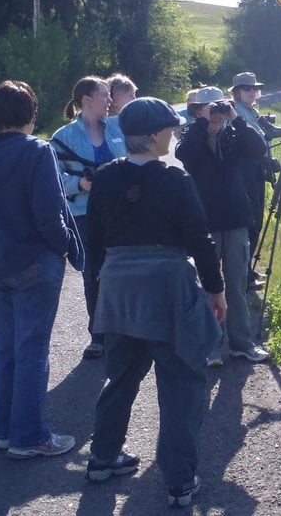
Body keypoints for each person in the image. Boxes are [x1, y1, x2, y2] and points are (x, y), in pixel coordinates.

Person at [84, 97, 227, 508]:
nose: (174, 134)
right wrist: (216, 290)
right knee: (181, 384)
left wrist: (98, 301)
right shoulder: (175, 180)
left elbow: (93, 243)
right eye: (169, 130)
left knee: (120, 376)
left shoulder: (106, 177)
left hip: (118, 287)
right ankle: (180, 481)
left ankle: (102, 457)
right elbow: (199, 239)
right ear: (152, 136)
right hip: (165, 286)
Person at [0, 80, 83, 459]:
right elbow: (49, 214)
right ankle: (30, 437)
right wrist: (66, 247)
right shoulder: (37, 152)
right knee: (32, 350)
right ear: (30, 114)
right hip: (33, 264)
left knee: (6, 351)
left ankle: (6, 434)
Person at [176, 86, 271, 367]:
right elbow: (185, 156)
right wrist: (203, 124)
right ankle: (210, 346)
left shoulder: (234, 134)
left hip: (235, 218)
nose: (216, 113)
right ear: (196, 111)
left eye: (219, 107)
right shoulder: (190, 136)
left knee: (237, 285)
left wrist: (236, 118)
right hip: (204, 219)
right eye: (209, 108)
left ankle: (242, 344)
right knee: (208, 285)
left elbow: (259, 148)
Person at [51, 76, 126, 360]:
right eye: (104, 95)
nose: (110, 100)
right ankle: (98, 336)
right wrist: (79, 184)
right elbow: (54, 178)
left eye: (110, 95)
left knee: (122, 270)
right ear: (86, 100)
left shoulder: (118, 127)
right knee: (93, 273)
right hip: (84, 214)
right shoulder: (63, 137)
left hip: (121, 212)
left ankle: (124, 330)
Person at [230, 71, 272, 291]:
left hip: (255, 170)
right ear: (237, 91)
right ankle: (243, 275)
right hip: (245, 171)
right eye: (247, 88)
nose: (253, 92)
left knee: (255, 218)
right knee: (251, 221)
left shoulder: (250, 111)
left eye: (255, 88)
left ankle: (247, 270)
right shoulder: (237, 112)